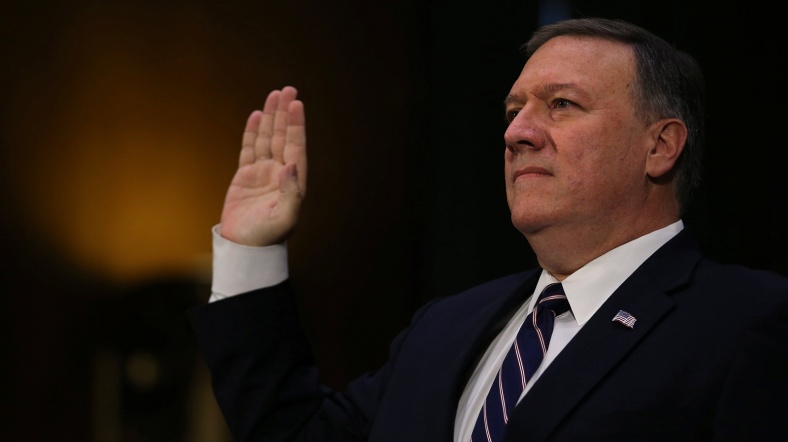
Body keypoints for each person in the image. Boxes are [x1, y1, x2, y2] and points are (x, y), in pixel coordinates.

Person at [190, 18, 788, 441]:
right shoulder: (444, 327)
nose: (516, 132)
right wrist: (251, 251)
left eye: (561, 104)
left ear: (659, 147)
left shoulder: (751, 323)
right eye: (513, 111)